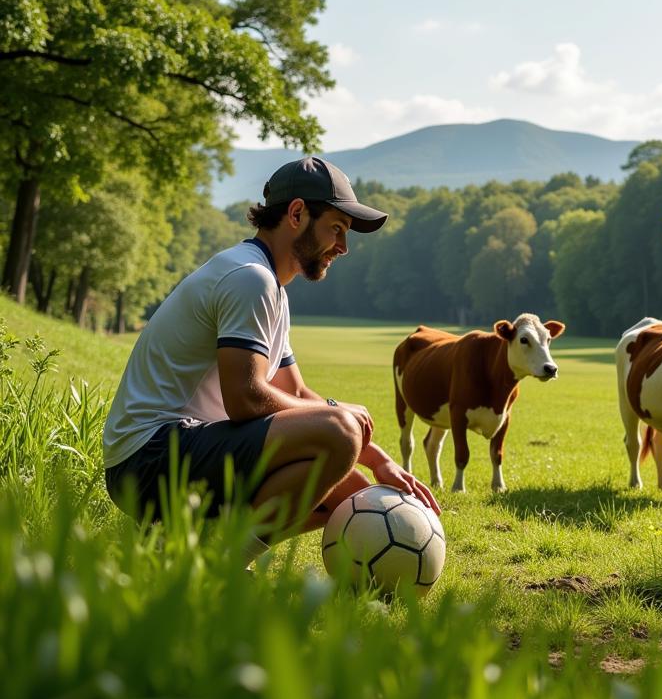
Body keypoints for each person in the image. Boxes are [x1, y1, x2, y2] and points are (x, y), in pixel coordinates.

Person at [103, 156, 439, 558]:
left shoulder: (270, 286)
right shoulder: (250, 279)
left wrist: (378, 460)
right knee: (338, 432)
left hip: (176, 454)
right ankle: (218, 565)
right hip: (149, 460)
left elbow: (293, 391)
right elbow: (246, 400)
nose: (344, 247)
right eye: (337, 229)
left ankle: (179, 548)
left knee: (350, 495)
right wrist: (341, 415)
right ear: (297, 213)